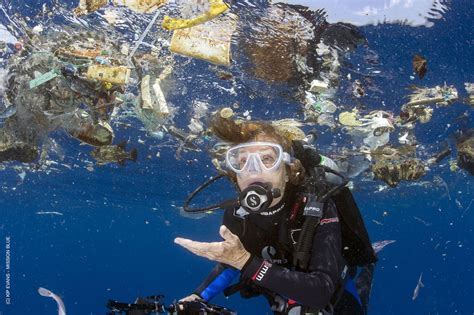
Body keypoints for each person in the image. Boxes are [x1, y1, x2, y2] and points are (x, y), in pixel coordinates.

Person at [174, 110, 377, 315]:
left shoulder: (316, 206)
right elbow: (231, 261)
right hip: (285, 303)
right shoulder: (236, 215)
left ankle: (367, 273)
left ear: (288, 171)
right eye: (242, 161)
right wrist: (197, 297)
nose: (253, 169)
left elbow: (322, 290)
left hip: (338, 303)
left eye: (267, 159)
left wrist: (245, 262)